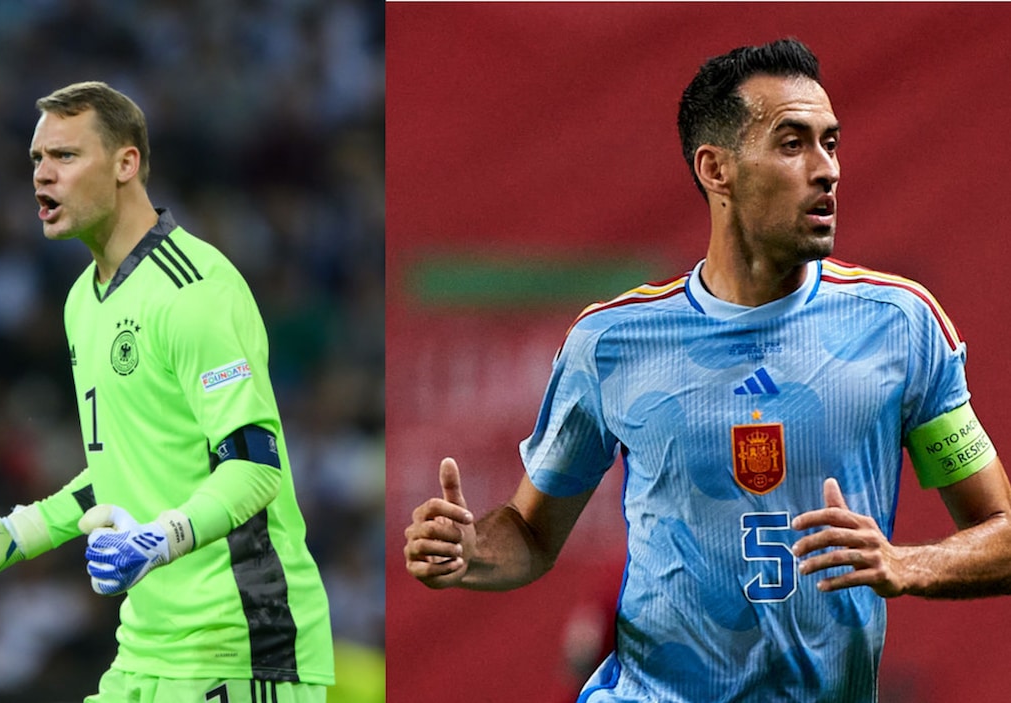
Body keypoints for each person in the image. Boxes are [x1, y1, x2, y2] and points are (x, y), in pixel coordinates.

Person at [403, 38, 1011, 701]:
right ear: (715, 169)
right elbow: (529, 533)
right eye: (792, 143)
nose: (827, 168)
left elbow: (1002, 534)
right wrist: (469, 551)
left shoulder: (902, 325)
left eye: (830, 142)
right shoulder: (612, 342)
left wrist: (905, 564)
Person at [0, 81, 334, 703]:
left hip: (242, 648)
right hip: (145, 651)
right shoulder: (81, 304)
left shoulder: (195, 290)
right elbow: (127, 466)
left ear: (127, 164)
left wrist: (160, 537)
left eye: (64, 156)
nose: (42, 177)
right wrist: (20, 532)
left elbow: (255, 467)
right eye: (36, 160)